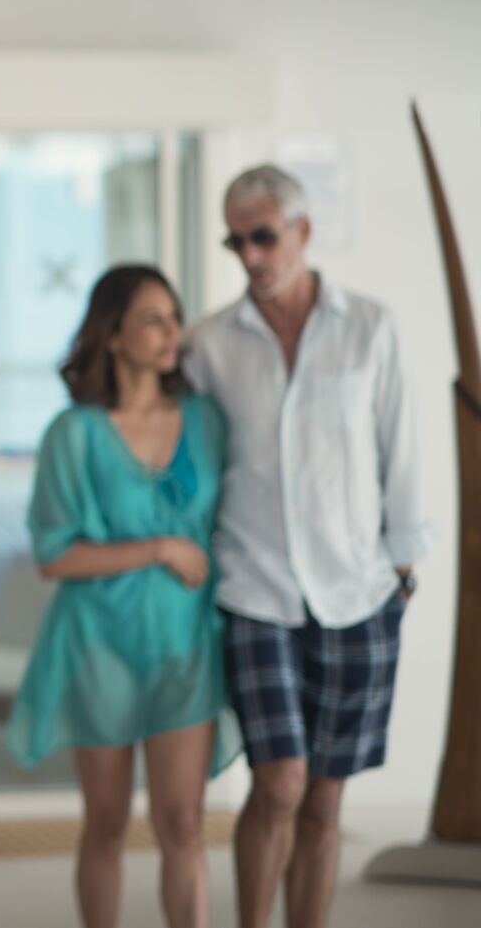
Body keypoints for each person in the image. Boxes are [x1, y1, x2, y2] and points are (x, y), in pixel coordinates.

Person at [182, 164, 431, 928]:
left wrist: (401, 561)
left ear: (302, 232)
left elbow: (401, 446)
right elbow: (185, 462)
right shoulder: (211, 344)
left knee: (325, 795)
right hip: (254, 590)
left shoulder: (370, 326)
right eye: (237, 240)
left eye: (263, 237)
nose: (251, 255)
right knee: (281, 779)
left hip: (359, 590)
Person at [8, 265, 240, 928]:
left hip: (184, 641)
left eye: (174, 315)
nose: (172, 332)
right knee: (107, 822)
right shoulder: (73, 433)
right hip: (97, 643)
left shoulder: (206, 420)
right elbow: (55, 555)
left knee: (183, 822)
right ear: (112, 334)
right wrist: (162, 548)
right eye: (152, 319)